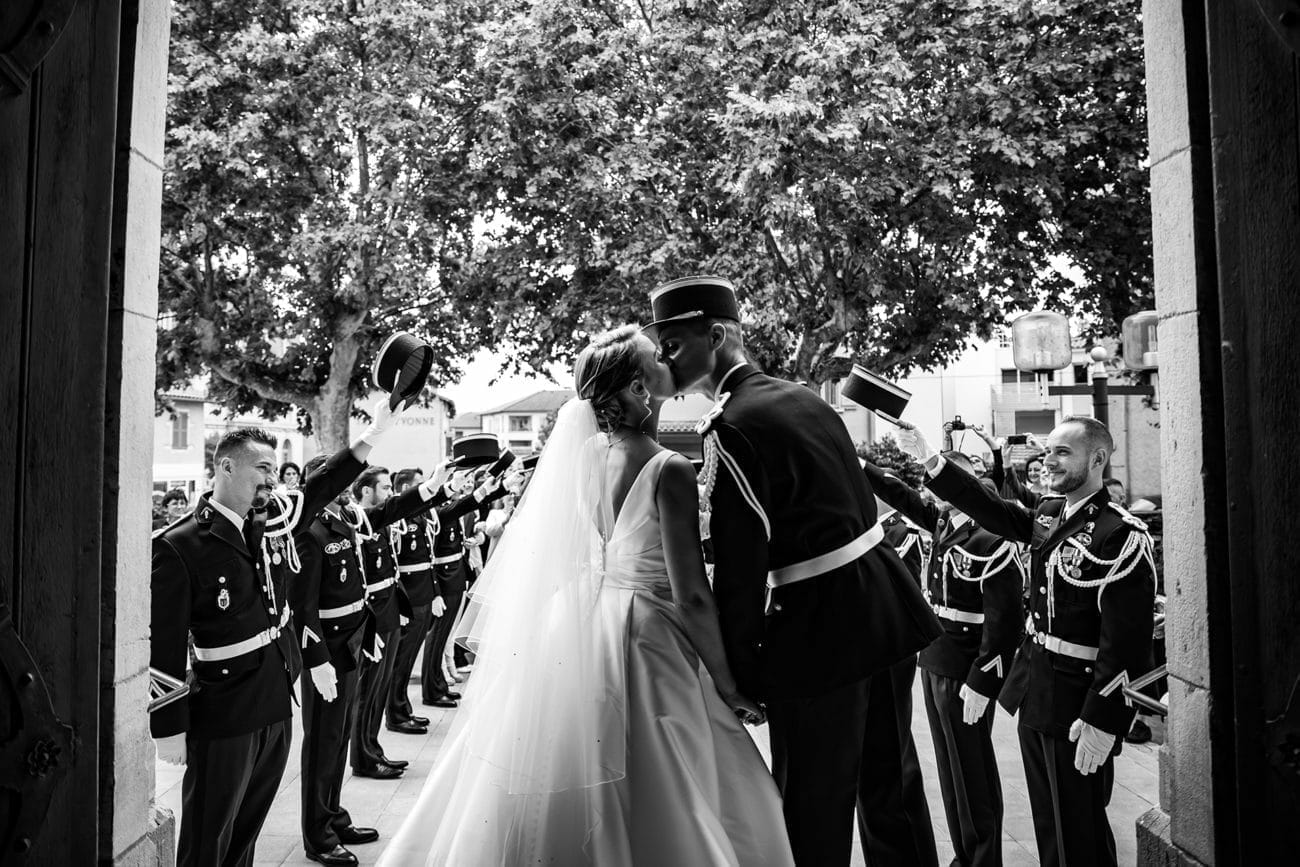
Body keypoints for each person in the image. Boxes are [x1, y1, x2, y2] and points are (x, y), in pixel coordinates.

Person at [378, 326, 793, 866]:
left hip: (579, 621)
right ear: (639, 390)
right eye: (656, 360)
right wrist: (727, 682)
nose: (668, 359)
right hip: (650, 632)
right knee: (676, 776)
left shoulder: (585, 457)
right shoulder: (668, 468)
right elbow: (691, 594)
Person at [647, 276, 942, 867]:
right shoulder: (803, 395)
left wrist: (740, 670)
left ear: (717, 334)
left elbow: (741, 568)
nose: (664, 358)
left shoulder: (731, 427)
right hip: (883, 607)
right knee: (893, 791)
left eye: (674, 343)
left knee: (814, 809)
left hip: (818, 632)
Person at [150, 399, 404, 867]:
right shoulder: (180, 544)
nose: (271, 479)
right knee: (209, 835)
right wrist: (168, 729)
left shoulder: (275, 523)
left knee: (246, 830)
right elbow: (163, 643)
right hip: (224, 708)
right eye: (261, 468)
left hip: (273, 700)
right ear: (225, 466)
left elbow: (324, 484)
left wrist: (371, 435)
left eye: (273, 469)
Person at [898, 416, 1156, 867]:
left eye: (1062, 452)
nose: (1048, 461)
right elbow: (988, 506)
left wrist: (1105, 718)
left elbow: (1127, 644)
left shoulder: (1121, 535)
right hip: (1037, 690)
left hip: (1078, 704)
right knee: (1049, 826)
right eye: (1048, 450)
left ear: (1098, 458)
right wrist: (931, 460)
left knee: (1079, 830)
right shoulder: (1051, 514)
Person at [867, 452, 1025, 867]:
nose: (940, 490)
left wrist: (984, 677)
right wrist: (857, 463)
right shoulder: (943, 523)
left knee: (973, 773)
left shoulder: (991, 536)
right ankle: (964, 852)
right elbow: (898, 494)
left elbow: (1005, 620)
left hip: (965, 667)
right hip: (936, 658)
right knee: (950, 770)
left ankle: (983, 857)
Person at [294, 454, 450, 866]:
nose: (347, 488)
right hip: (327, 650)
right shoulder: (309, 529)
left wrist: (430, 488)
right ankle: (319, 835)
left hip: (351, 641)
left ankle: (334, 816)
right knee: (323, 744)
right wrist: (316, 659)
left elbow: (385, 513)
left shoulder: (343, 518)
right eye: (338, 482)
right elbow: (303, 605)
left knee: (340, 735)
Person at [348, 462, 450, 780]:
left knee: (378, 687)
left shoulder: (379, 521)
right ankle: (363, 758)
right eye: (385, 488)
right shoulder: (358, 524)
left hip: (390, 609)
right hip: (374, 615)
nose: (390, 493)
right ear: (367, 491)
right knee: (367, 691)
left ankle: (373, 749)